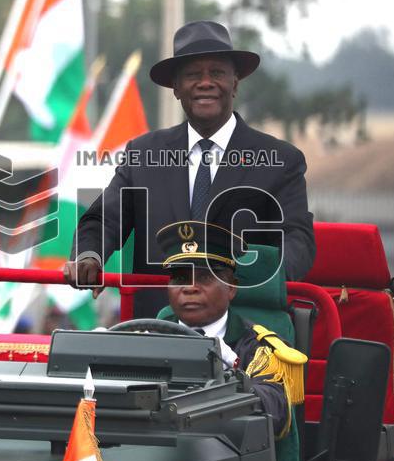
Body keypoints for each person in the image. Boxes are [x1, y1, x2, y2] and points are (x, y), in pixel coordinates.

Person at [65, 20, 315, 318]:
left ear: (235, 83)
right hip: (156, 330)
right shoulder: (143, 154)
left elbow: (297, 241)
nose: (205, 82)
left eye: (217, 73)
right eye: (193, 75)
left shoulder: (280, 161)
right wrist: (89, 255)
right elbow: (101, 221)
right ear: (176, 88)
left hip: (244, 334)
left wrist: (242, 279)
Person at [156, 220, 305, 437]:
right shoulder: (150, 337)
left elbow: (275, 412)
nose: (189, 288)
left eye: (206, 278)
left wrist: (230, 375)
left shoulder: (261, 348)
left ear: (232, 288)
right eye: (180, 278)